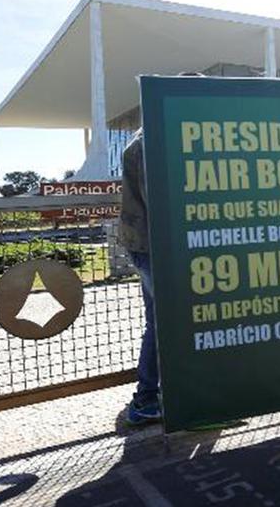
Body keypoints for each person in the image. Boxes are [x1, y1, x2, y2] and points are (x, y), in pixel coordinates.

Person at [118, 128, 161, 425]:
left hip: (145, 242)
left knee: (160, 320)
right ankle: (146, 398)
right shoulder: (150, 144)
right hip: (152, 245)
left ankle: (150, 397)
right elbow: (158, 201)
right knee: (165, 322)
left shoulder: (144, 138)